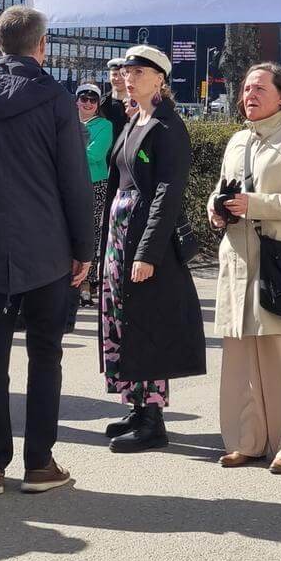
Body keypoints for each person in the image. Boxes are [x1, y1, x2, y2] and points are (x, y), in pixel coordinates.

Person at [0, 6, 96, 496]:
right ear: (41, 44)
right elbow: (74, 178)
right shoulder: (56, 98)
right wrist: (83, 248)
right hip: (47, 247)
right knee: (45, 354)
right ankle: (38, 463)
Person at [209, 63, 281, 475]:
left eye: (259, 87)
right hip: (238, 259)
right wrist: (216, 208)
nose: (249, 94)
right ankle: (245, 441)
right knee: (240, 356)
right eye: (245, 88)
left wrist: (256, 205)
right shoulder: (238, 139)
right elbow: (225, 188)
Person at [98, 46, 206, 453]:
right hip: (119, 236)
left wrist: (148, 252)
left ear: (161, 78)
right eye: (127, 70)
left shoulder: (166, 126)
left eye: (139, 71)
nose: (129, 76)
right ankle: (136, 406)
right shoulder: (133, 121)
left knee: (148, 326)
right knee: (123, 321)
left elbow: (168, 192)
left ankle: (153, 418)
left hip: (141, 238)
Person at [76, 82, 114, 315]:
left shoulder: (104, 125)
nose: (88, 103)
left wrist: (68, 149)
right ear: (77, 100)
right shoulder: (67, 121)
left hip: (94, 183)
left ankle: (87, 282)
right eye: (84, 99)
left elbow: (96, 153)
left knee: (91, 231)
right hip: (68, 182)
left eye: (92, 100)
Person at [98, 57, 130, 148]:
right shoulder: (101, 103)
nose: (118, 78)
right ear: (109, 76)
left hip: (127, 155)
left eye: (122, 74)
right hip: (105, 156)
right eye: (114, 74)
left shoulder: (137, 104)